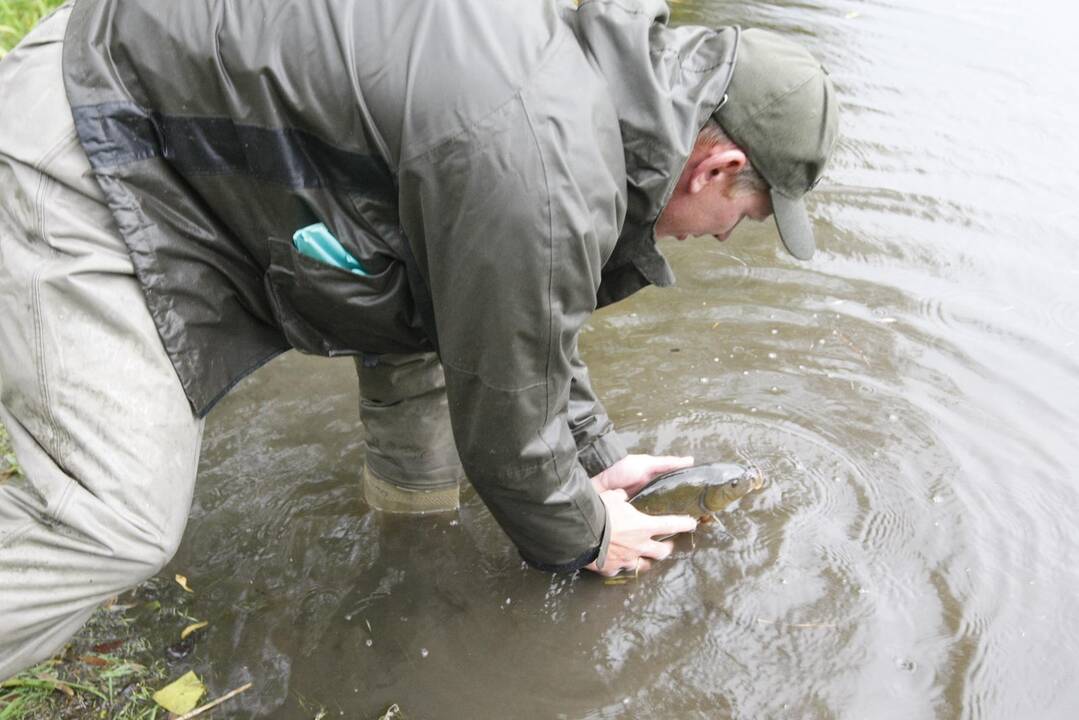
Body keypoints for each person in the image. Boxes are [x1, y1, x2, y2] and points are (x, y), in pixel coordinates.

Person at [0, 0, 838, 679]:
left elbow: (515, 325)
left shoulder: (593, 88)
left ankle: (410, 550)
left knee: (428, 327)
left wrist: (591, 453)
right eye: (751, 215)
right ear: (719, 167)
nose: (729, 235)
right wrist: (587, 533)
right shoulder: (540, 172)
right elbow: (508, 428)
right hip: (93, 135)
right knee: (113, 523)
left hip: (152, 86)